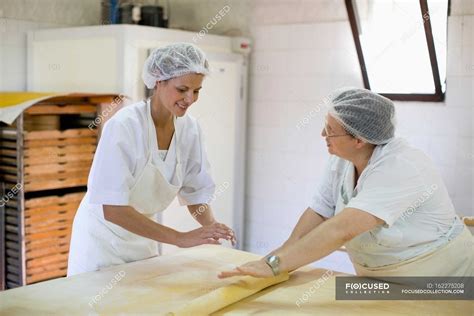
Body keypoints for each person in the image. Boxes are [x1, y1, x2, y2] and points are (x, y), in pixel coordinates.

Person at [219, 87, 473, 279]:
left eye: (330, 130)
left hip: (439, 277)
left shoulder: (401, 167)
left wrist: (273, 267)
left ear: (359, 139)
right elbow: (320, 211)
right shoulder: (342, 158)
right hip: (380, 277)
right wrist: (276, 259)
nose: (322, 135)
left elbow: (341, 229)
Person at [68, 43, 236, 276]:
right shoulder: (125, 126)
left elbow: (195, 192)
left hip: (142, 234)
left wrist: (210, 228)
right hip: (102, 240)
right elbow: (113, 210)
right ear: (159, 82)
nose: (189, 99)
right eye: (182, 89)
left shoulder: (190, 129)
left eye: (196, 91)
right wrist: (181, 238)